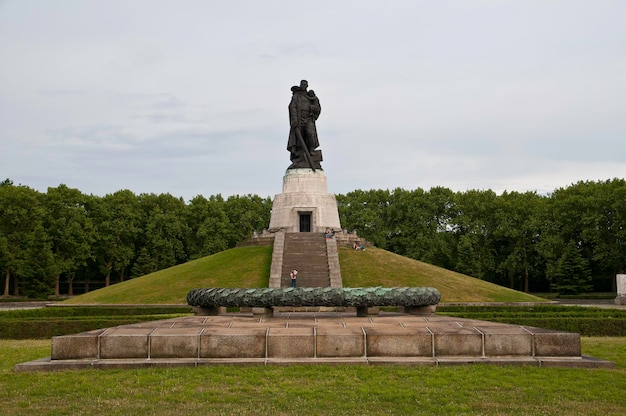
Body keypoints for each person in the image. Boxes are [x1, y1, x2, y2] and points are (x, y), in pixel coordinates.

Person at [287, 80, 322, 169]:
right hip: (299, 120)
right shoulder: (297, 96)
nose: (303, 86)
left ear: (307, 86)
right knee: (299, 139)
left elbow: (318, 107)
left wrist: (313, 108)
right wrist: (294, 119)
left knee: (310, 133)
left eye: (305, 85)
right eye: (302, 84)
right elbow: (292, 107)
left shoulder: (311, 96)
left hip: (308, 119)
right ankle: (299, 156)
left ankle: (311, 151)